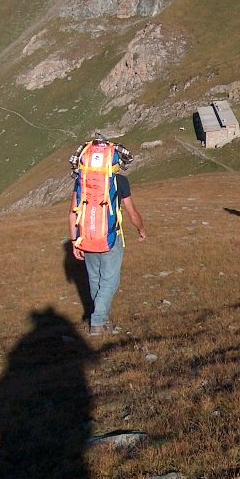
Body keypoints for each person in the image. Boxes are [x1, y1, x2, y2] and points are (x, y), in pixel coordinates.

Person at [68, 140, 147, 335]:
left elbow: (72, 213)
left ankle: (103, 319)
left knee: (95, 279)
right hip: (111, 238)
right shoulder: (120, 181)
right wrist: (141, 229)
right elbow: (132, 212)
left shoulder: (82, 181)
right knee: (110, 281)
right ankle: (97, 322)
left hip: (87, 237)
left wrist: (74, 241)